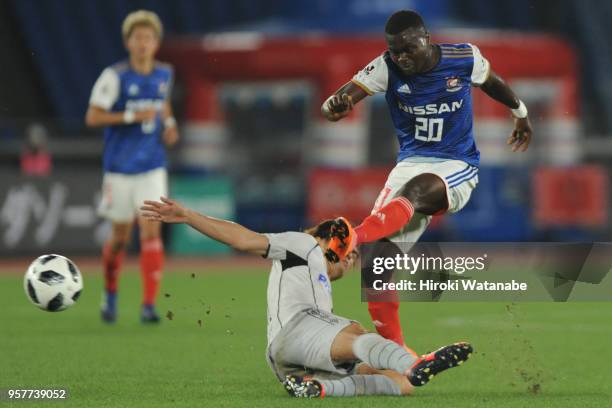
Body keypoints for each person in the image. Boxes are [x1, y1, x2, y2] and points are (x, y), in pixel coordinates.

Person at [321, 10, 533, 350]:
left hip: (456, 164)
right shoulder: (384, 68)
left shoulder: (463, 57)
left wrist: (520, 113)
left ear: (427, 39)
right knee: (377, 264)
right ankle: (398, 355)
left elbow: (492, 82)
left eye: (408, 49)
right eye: (395, 50)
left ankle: (353, 234)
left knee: (417, 191)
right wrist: (335, 108)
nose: (401, 57)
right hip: (409, 163)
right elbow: (335, 102)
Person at [140, 196, 472, 398]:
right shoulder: (303, 244)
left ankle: (322, 388)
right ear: (326, 237)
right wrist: (188, 216)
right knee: (357, 334)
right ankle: (415, 364)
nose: (351, 257)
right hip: (297, 330)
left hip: (290, 359)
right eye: (347, 250)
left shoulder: (315, 272)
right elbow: (243, 239)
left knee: (400, 384)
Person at [85, 10, 179, 323]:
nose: (143, 43)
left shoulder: (164, 74)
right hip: (119, 169)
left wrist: (170, 123)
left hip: (152, 166)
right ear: (128, 42)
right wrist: (129, 116)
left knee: (151, 231)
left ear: (156, 43)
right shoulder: (115, 77)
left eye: (148, 38)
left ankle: (148, 305)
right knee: (120, 238)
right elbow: (93, 116)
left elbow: (163, 104)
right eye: (137, 38)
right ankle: (110, 294)